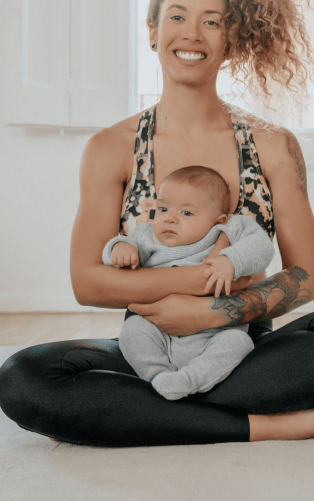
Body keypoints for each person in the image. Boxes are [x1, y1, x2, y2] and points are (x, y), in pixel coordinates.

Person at [0, 0, 314, 447]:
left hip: (241, 350)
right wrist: (194, 293)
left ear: (232, 41)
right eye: (177, 17)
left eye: (213, 22)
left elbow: (305, 278)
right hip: (151, 347)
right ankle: (268, 424)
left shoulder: (273, 144)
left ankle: (153, 415)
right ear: (153, 30)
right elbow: (89, 283)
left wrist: (212, 313)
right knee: (23, 379)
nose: (192, 34)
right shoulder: (111, 148)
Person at [105, 165, 275, 401]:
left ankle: (190, 380)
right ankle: (160, 377)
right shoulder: (147, 237)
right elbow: (117, 250)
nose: (170, 219)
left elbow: (262, 247)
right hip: (159, 332)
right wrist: (120, 247)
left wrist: (231, 260)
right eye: (162, 208)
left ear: (219, 220)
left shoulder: (228, 230)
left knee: (239, 343)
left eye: (186, 213)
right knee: (132, 331)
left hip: (215, 334)